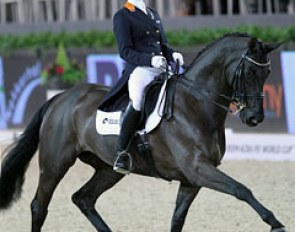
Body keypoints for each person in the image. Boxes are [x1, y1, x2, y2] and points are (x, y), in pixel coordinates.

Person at [110, 0, 185, 174]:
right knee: (137, 101)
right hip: (140, 69)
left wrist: (173, 53)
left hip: (161, 67)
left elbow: (162, 45)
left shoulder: (152, 13)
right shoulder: (123, 16)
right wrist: (149, 60)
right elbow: (125, 51)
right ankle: (122, 153)